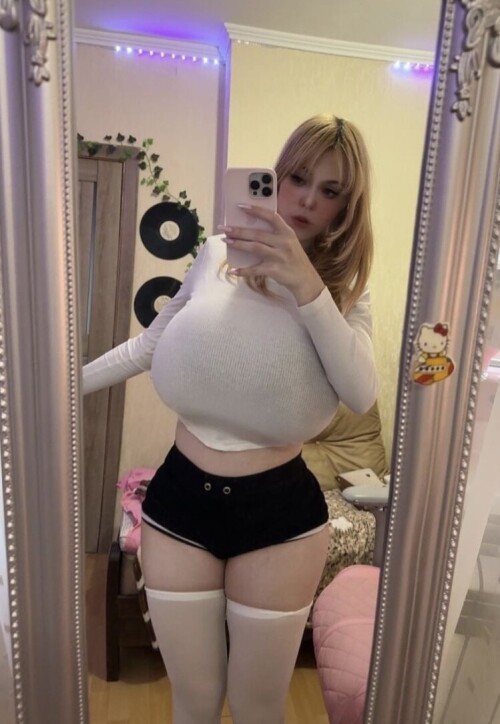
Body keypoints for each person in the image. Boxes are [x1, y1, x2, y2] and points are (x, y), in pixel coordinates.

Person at [83, 113, 378, 724]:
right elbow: (148, 346)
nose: (306, 200)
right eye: (297, 178)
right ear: (276, 175)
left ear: (346, 209)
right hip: (180, 500)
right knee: (192, 702)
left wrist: (306, 284)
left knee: (257, 707)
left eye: (330, 191)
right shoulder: (216, 253)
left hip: (280, 516)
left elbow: (360, 392)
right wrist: (51, 388)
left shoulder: (345, 287)